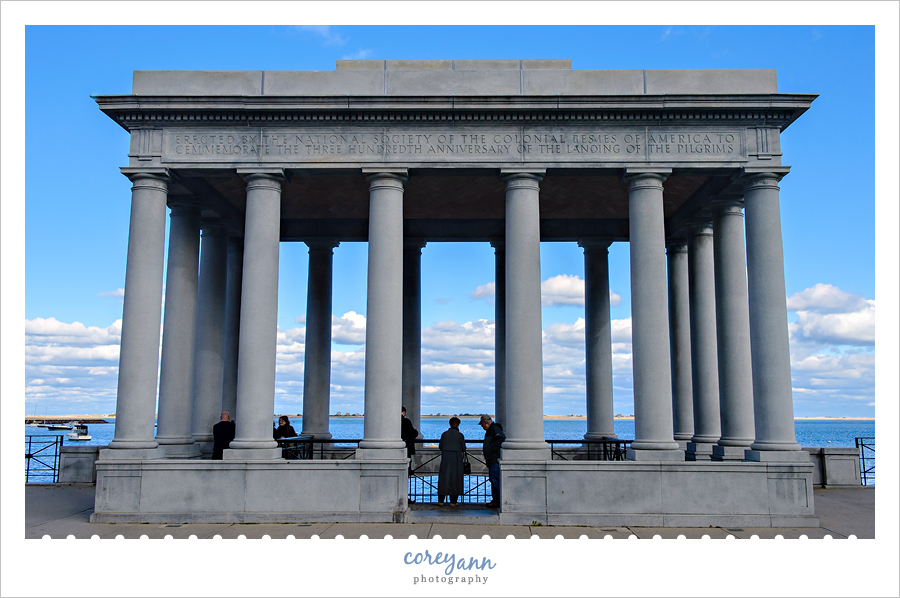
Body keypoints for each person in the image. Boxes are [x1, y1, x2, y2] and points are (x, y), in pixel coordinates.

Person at [437, 417, 466, 506]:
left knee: (443, 478)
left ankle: (441, 500)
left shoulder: (444, 434)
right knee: (455, 478)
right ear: (458, 425)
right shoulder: (460, 435)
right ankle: (453, 501)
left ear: (450, 424)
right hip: (457, 458)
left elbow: (440, 446)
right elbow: (463, 448)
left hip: (446, 458)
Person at [480, 414, 505, 508]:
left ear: (485, 423)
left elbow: (501, 439)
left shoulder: (494, 429)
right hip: (492, 459)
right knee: (493, 479)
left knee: (495, 479)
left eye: (482, 424)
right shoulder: (491, 430)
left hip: (494, 459)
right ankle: (496, 499)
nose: (482, 426)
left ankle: (497, 500)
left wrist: (491, 449)